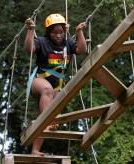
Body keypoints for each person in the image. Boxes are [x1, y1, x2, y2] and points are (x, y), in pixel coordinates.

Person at [24, 13, 87, 156]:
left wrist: (79, 32)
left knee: (44, 115)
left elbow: (82, 50)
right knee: (47, 91)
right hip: (39, 81)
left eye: (61, 32)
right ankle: (48, 120)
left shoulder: (68, 43)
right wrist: (30, 30)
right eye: (55, 33)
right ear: (48, 33)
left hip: (57, 85)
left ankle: (35, 150)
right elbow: (29, 49)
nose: (58, 36)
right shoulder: (42, 41)